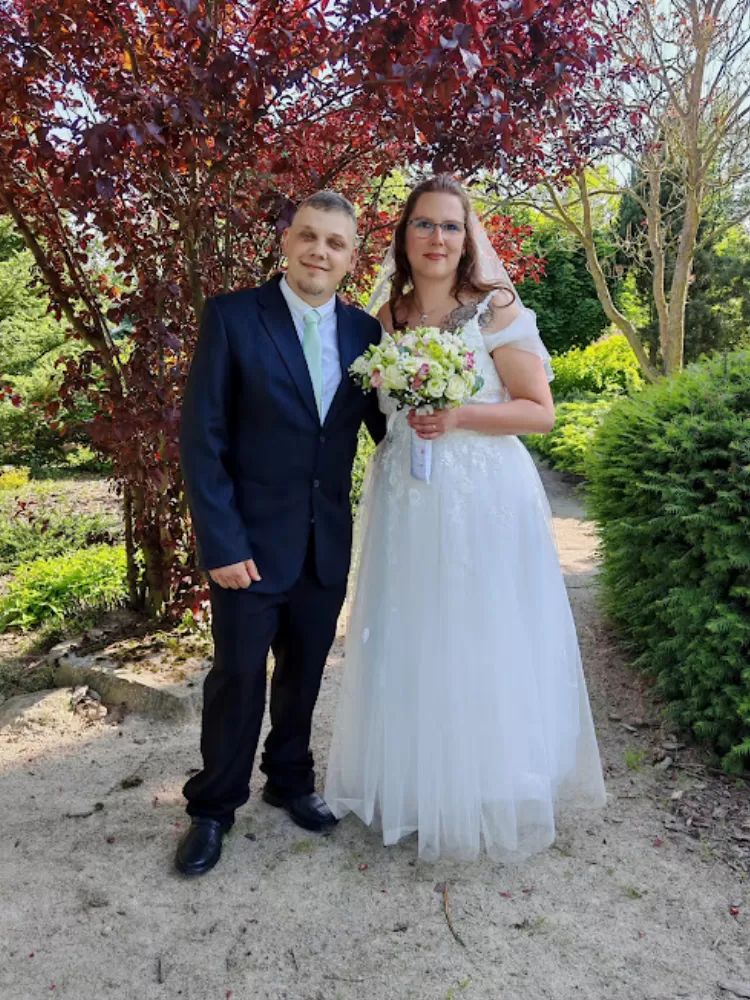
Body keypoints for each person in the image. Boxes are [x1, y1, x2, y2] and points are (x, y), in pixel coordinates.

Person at [325, 175, 606, 861]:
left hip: (483, 497)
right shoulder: (385, 318)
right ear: (404, 236)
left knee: (482, 625)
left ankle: (490, 781)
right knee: (412, 625)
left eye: (451, 225)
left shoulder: (495, 309)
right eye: (424, 224)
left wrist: (459, 415)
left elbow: (539, 412)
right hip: (405, 495)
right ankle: (417, 779)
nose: (438, 238)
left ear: (468, 236)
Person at [176, 191, 386, 876]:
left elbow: (385, 429)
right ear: (286, 242)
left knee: (305, 671)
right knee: (238, 676)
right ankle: (213, 807)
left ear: (352, 258)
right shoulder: (233, 317)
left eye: (335, 243)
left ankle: (289, 778)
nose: (320, 251)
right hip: (249, 545)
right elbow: (202, 440)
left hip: (324, 541)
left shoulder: (366, 335)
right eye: (309, 236)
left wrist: (443, 414)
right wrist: (222, 543)